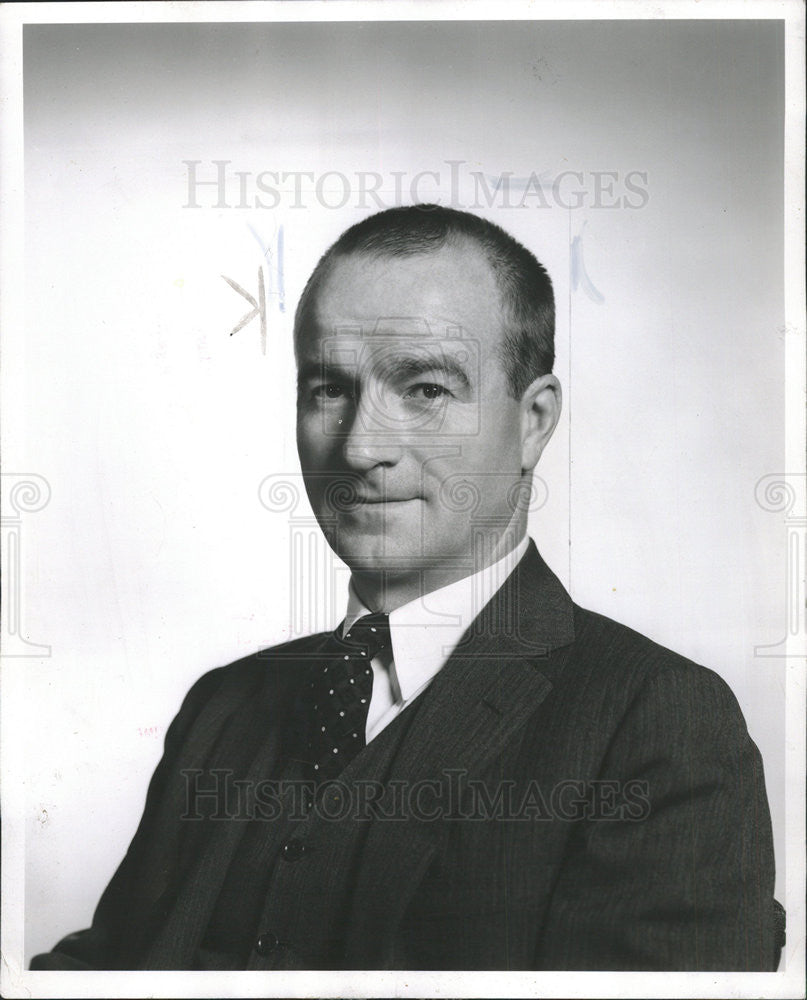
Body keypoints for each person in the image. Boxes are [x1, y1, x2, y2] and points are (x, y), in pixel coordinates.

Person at [31, 205, 781, 971]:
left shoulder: (652, 722)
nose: (360, 447)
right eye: (329, 389)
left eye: (424, 389)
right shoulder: (222, 707)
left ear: (534, 421)